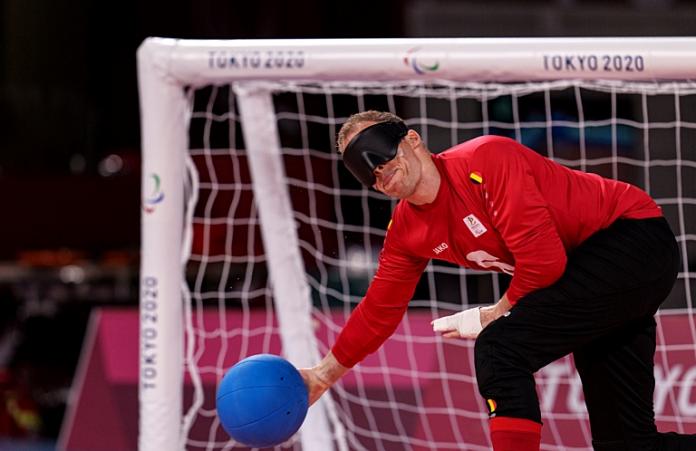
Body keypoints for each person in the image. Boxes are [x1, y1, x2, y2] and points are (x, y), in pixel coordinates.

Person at [299, 110, 696, 451]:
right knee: (628, 445)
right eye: (366, 172)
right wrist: (323, 374)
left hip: (632, 240)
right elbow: (379, 310)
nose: (379, 173)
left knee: (500, 348)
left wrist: (495, 312)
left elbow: (543, 262)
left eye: (380, 157)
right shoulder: (406, 230)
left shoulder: (485, 158)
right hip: (589, 279)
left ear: (412, 139)